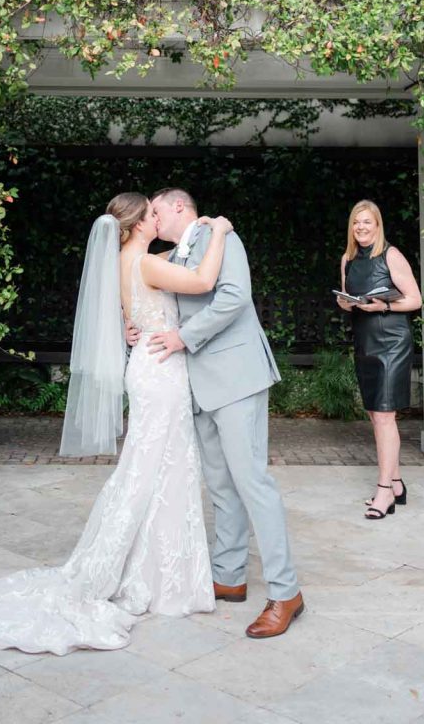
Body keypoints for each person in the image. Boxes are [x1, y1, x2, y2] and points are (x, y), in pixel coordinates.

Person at [0, 192, 233, 656]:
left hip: (146, 365)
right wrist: (221, 231)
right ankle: (155, 575)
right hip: (161, 373)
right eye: (150, 213)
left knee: (156, 469)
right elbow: (204, 279)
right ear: (134, 226)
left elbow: (152, 290)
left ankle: (154, 569)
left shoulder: (126, 262)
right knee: (156, 470)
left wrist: (191, 237)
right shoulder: (145, 265)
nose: (156, 216)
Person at [147, 187, 304, 640]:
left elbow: (234, 297)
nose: (151, 219)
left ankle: (286, 593)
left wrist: (183, 336)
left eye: (156, 211)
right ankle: (229, 576)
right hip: (198, 386)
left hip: (236, 377)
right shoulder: (173, 256)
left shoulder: (222, 237)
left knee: (252, 483)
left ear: (179, 206)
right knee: (220, 485)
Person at [336, 199, 422, 520]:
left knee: (385, 416)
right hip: (365, 342)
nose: (361, 227)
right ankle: (397, 483)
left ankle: (384, 491)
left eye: (367, 222)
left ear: (377, 225)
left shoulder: (391, 255)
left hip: (392, 342)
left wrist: (382, 306)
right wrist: (348, 303)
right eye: (356, 222)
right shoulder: (347, 259)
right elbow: (349, 299)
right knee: (376, 415)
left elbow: (415, 299)